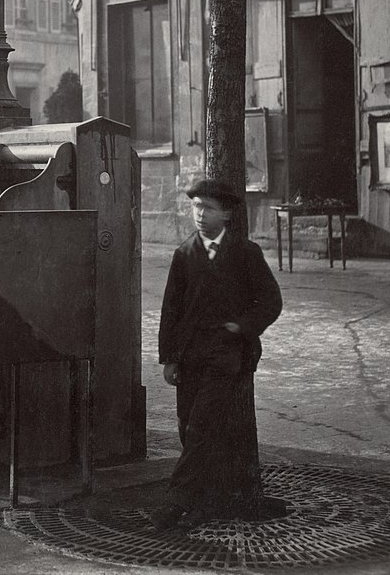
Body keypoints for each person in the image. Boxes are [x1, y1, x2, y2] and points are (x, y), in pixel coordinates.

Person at [153, 178, 284, 529]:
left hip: (225, 358)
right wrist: (169, 359)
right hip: (190, 357)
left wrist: (242, 326)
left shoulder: (245, 254)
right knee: (188, 428)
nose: (199, 214)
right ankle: (203, 503)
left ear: (225, 214)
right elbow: (171, 310)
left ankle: (176, 502)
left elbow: (271, 301)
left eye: (207, 208)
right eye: (195, 206)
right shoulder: (184, 255)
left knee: (201, 427)